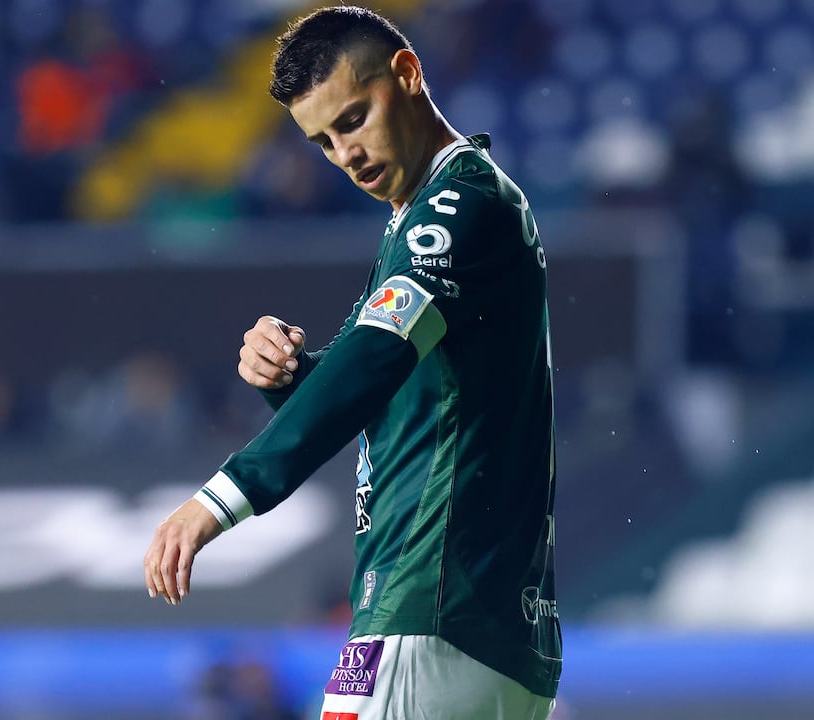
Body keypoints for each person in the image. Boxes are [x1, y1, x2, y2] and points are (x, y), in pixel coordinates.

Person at [142, 6, 561, 719]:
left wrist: (221, 499)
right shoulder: (436, 215)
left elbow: (374, 356)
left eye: (354, 118)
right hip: (487, 627)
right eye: (325, 141)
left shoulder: (455, 207)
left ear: (406, 74)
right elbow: (397, 393)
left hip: (429, 606)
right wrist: (295, 377)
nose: (347, 154)